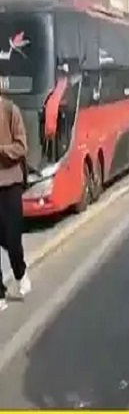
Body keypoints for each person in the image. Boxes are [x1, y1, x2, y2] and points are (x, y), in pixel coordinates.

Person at [0, 91, 31, 310]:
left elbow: (21, 147)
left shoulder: (10, 110)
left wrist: (1, 150)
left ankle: (20, 272)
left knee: (12, 239)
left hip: (10, 183)